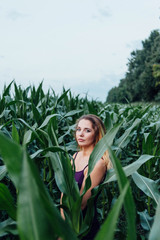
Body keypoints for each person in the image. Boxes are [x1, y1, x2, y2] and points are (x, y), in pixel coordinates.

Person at [60, 114, 112, 239]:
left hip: (83, 228)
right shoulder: (74, 156)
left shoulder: (97, 164)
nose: (81, 134)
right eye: (78, 129)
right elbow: (64, 195)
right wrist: (61, 225)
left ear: (96, 135)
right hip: (67, 223)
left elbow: (82, 204)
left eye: (87, 130)